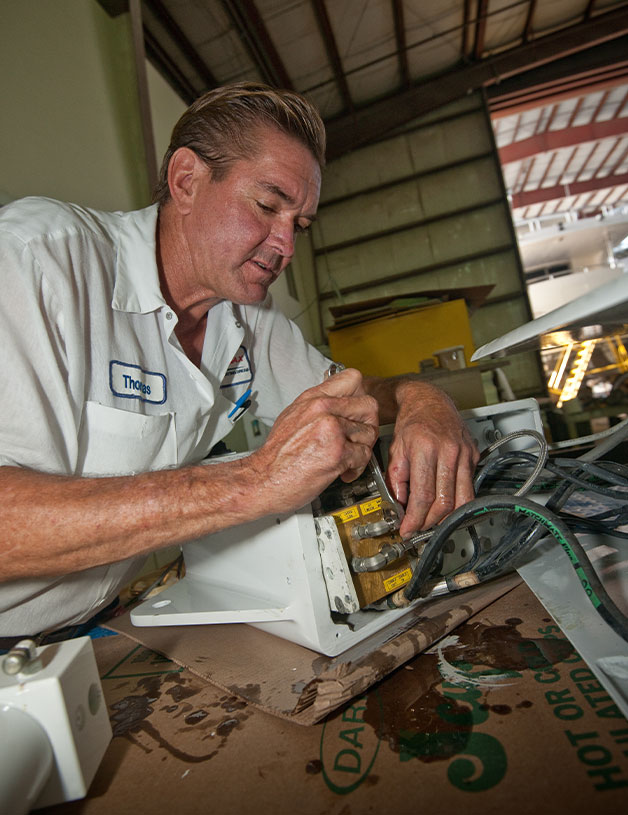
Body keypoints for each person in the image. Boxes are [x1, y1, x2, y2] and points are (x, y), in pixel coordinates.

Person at [0, 82, 478, 639]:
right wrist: (254, 481)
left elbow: (353, 392)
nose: (285, 246)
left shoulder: (246, 316)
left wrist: (425, 400)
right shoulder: (37, 263)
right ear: (186, 180)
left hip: (93, 624)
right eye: (268, 204)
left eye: (298, 224)